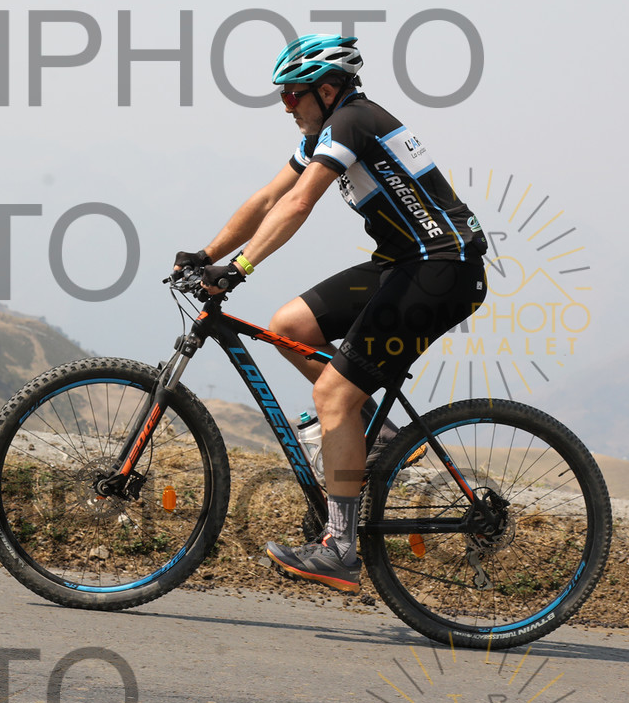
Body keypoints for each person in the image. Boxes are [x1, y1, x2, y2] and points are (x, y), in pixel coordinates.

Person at [173, 34, 486, 592]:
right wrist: (206, 254)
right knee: (289, 327)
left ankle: (340, 550)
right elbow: (269, 197)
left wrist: (238, 268)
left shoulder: (353, 121)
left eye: (292, 94)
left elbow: (300, 203)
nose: (285, 106)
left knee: (333, 396)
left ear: (328, 88)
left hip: (442, 271)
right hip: (404, 263)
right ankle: (376, 437)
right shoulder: (328, 130)